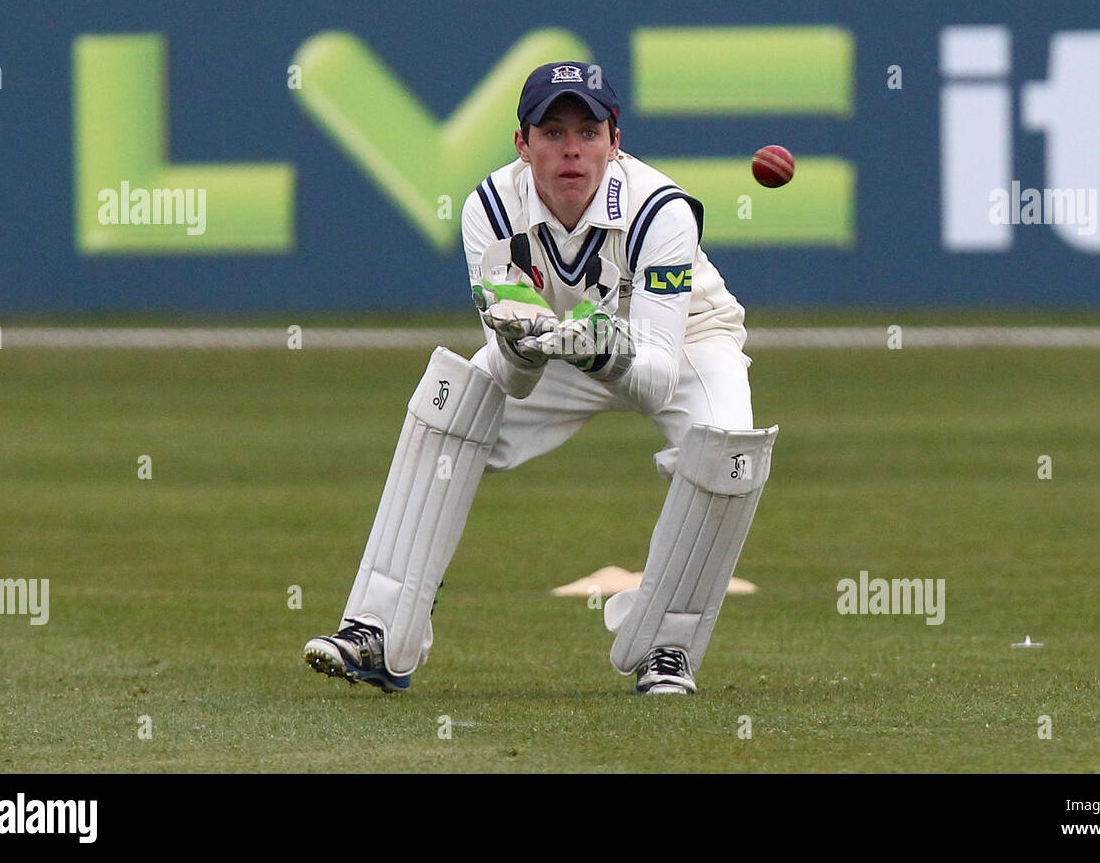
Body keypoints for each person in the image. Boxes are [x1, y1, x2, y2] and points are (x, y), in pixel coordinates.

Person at [303, 61, 777, 695]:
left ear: (615, 141)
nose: (571, 150)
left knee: (729, 453)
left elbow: (659, 379)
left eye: (588, 132)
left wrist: (604, 354)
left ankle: (666, 649)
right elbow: (513, 378)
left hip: (683, 344)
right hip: (557, 343)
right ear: (522, 145)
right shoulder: (491, 209)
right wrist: (522, 347)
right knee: (453, 404)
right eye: (552, 133)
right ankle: (379, 631)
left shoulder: (660, 212)